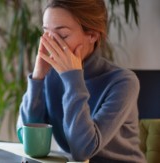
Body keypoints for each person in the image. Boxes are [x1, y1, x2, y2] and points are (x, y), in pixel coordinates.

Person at [16, 0, 146, 162]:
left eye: (62, 35)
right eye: (46, 33)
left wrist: (73, 79)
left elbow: (83, 150)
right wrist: (37, 77)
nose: (51, 44)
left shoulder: (123, 82)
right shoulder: (51, 75)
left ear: (92, 35)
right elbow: (27, 138)